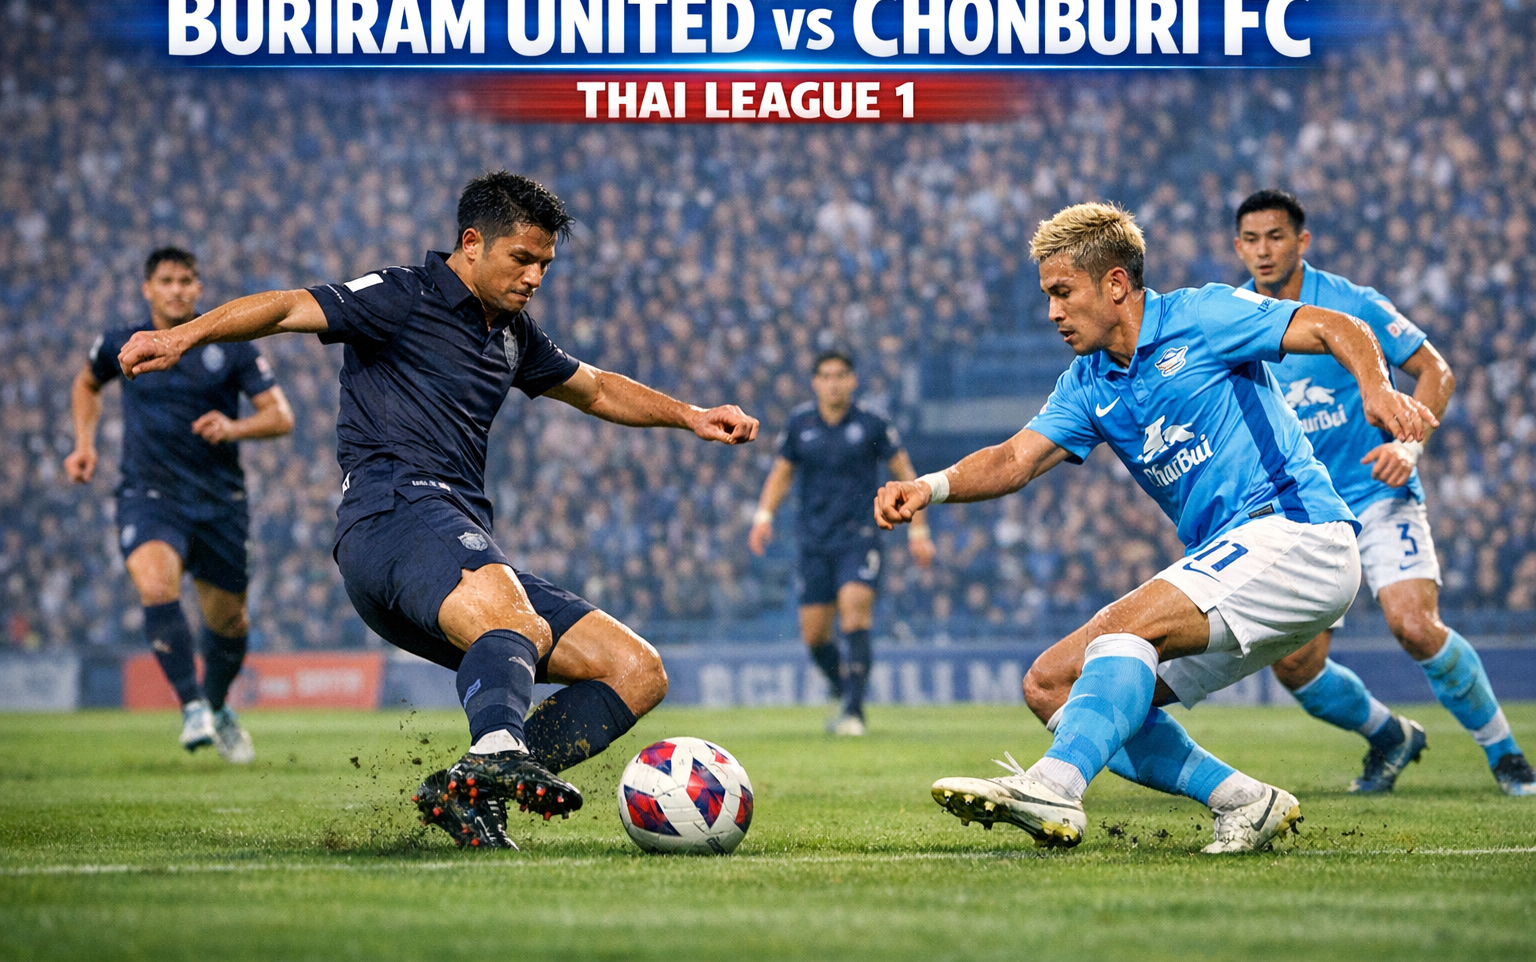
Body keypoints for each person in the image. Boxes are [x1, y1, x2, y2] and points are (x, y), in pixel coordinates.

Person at [116, 173, 758, 849]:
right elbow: (285, 308)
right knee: (515, 618)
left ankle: (467, 791)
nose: (535, 277)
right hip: (391, 514)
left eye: (545, 264)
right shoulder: (402, 296)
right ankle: (496, 750)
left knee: (635, 670)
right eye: (522, 258)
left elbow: (595, 389)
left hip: (451, 540)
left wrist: (691, 415)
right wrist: (183, 336)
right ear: (472, 243)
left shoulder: (513, 334)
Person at [875, 203, 1438, 853]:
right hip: (1233, 562)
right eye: (1048, 296)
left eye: (1063, 293)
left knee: (1122, 629)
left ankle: (1054, 786)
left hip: (1297, 533)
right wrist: (928, 487)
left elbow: (1336, 325)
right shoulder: (1088, 381)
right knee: (1052, 684)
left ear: (1115, 284)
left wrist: (1375, 389)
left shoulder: (1203, 316)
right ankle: (1244, 801)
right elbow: (1013, 459)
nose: (1052, 312)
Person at [1234, 189, 1535, 796]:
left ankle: (1507, 756)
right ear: (1238, 247)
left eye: (1276, 237)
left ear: (1301, 242)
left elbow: (1435, 371)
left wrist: (1408, 446)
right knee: (1294, 664)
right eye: (1251, 239)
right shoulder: (1233, 314)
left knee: (1414, 625)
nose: (1263, 251)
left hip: (1376, 490)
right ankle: (1390, 735)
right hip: (1302, 511)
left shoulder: (1352, 303)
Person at [65, 247, 294, 763]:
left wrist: (233, 427)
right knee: (155, 585)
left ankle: (216, 706)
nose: (177, 289)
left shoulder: (229, 346)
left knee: (230, 623)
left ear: (198, 288)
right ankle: (191, 705)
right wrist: (83, 443)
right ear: (147, 288)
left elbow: (280, 417)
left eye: (186, 280)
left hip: (219, 501)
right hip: (149, 494)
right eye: (166, 281)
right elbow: (86, 383)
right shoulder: (123, 342)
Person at [748, 350, 935, 736]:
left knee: (854, 613)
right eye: (826, 376)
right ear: (815, 382)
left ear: (852, 381)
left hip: (859, 537)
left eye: (840, 376)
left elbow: (906, 474)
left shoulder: (872, 424)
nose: (833, 383)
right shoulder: (800, 424)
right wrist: (763, 516)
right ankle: (844, 686)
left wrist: (919, 531)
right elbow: (781, 474)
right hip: (814, 541)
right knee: (815, 636)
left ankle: (853, 712)